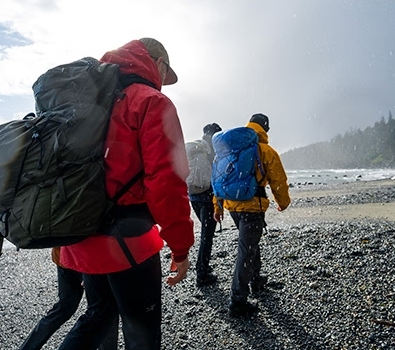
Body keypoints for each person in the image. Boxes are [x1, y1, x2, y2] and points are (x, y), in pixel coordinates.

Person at [58, 38, 194, 350]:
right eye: (165, 75)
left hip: (82, 232)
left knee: (99, 318)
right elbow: (167, 181)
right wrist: (181, 247)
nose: (163, 84)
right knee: (141, 334)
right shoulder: (151, 102)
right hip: (129, 241)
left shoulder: (92, 102)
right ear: (157, 63)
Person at [213, 113, 291, 317]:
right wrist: (283, 202)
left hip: (231, 205)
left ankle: (256, 280)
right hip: (252, 207)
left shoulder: (231, 148)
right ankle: (237, 301)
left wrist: (218, 206)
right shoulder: (265, 150)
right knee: (246, 251)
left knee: (249, 245)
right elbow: (279, 180)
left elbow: (219, 180)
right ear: (265, 128)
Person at [19, 247, 118, 350]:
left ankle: (27, 347)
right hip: (86, 260)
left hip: (63, 257)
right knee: (102, 311)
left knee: (65, 306)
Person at [188, 123, 222, 287]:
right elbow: (217, 176)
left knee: (205, 234)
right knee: (206, 236)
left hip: (193, 196)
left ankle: (203, 268)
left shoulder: (194, 148)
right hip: (208, 198)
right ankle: (201, 273)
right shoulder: (212, 151)